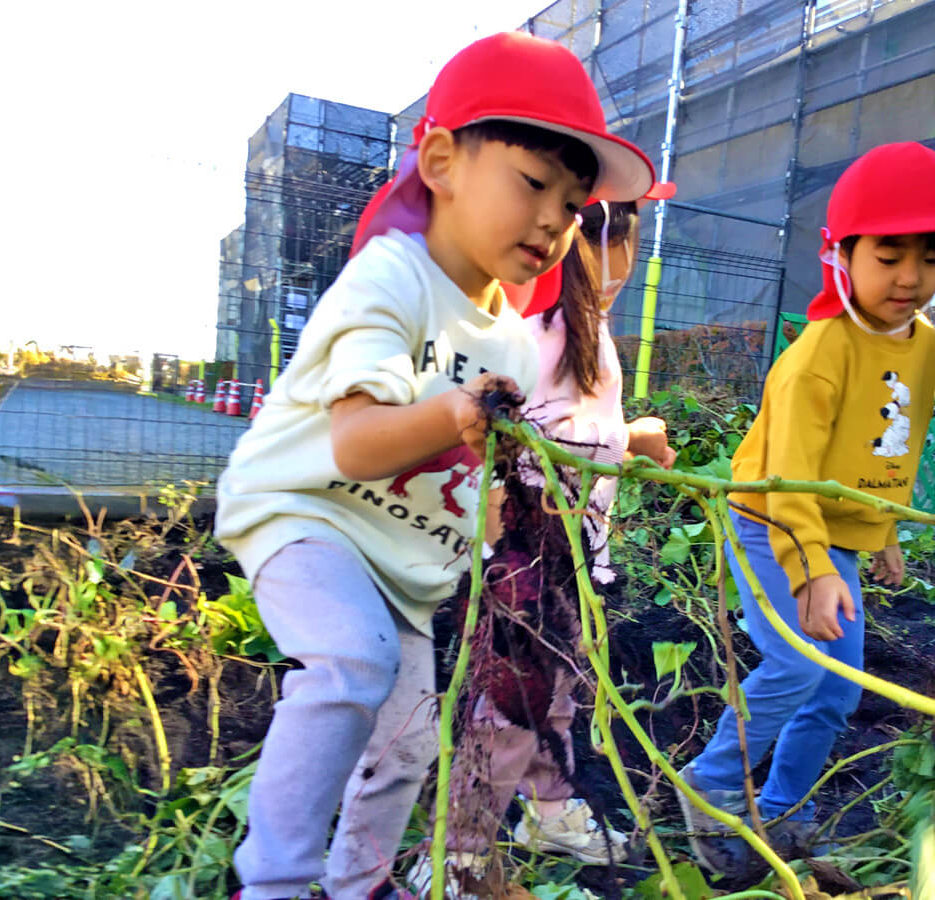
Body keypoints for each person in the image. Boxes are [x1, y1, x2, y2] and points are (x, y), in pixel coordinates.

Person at [215, 31, 661, 900]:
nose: (554, 220)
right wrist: (452, 415)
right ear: (444, 160)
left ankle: (361, 882)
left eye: (573, 207)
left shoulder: (509, 340)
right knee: (350, 661)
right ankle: (269, 883)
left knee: (412, 737)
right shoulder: (392, 278)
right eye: (534, 184)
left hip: (401, 562)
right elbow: (354, 443)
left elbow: (488, 467)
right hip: (308, 514)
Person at [675, 141, 935, 875]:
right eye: (889, 256)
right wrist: (813, 565)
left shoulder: (925, 347)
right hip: (773, 524)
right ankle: (714, 782)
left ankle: (790, 809)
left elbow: (892, 448)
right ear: (842, 256)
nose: (910, 278)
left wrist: (880, 533)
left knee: (837, 687)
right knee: (795, 661)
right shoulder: (820, 353)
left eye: (929, 256)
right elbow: (790, 475)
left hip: (834, 537)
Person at [409, 198, 677, 896]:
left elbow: (582, 433)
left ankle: (550, 814)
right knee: (506, 712)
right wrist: (500, 554)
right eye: (611, 242)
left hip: (577, 560)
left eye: (627, 244)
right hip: (527, 561)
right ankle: (457, 853)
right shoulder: (532, 334)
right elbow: (494, 441)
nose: (622, 262)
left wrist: (635, 436)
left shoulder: (592, 333)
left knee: (556, 698)